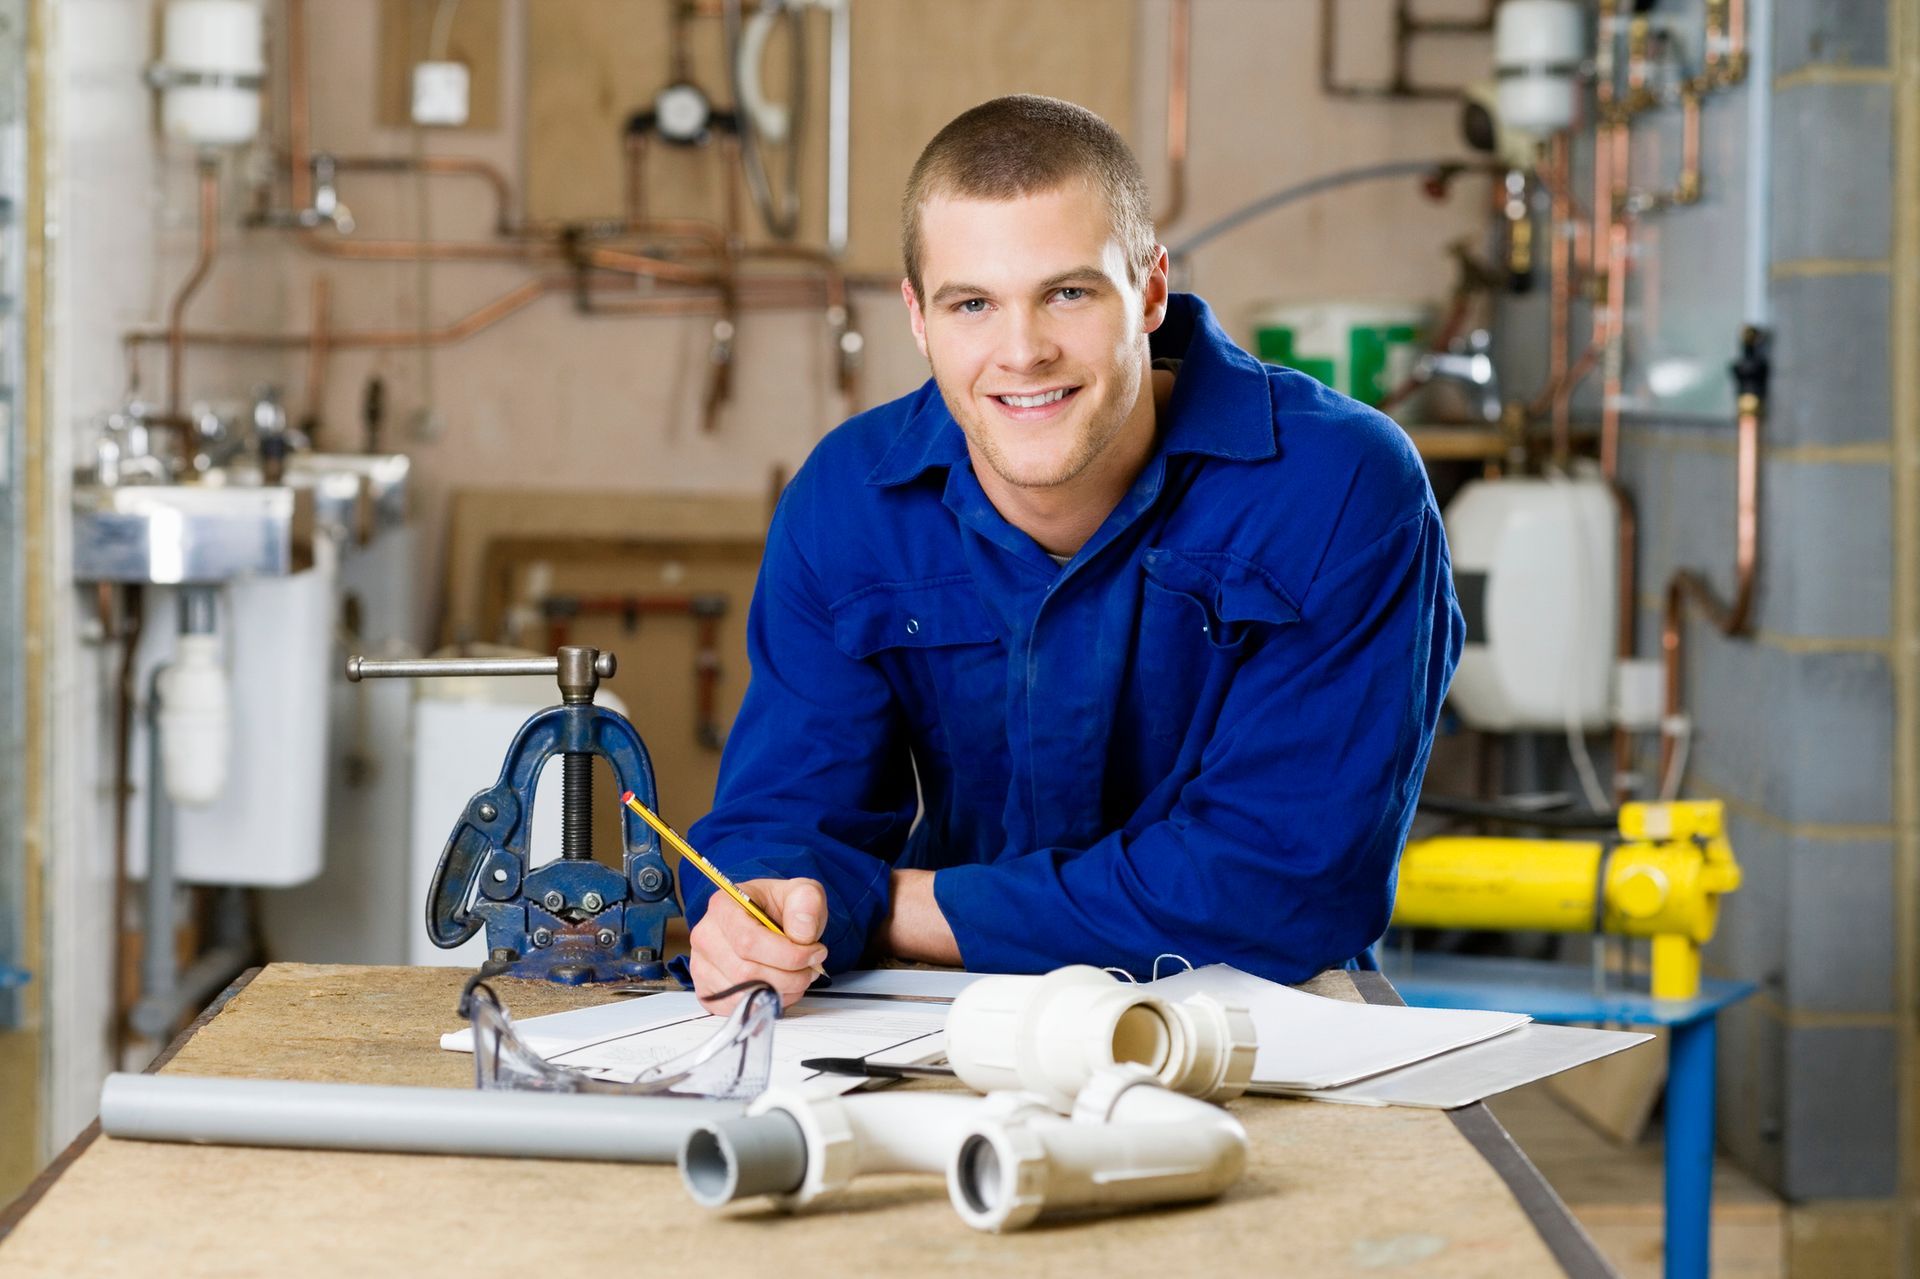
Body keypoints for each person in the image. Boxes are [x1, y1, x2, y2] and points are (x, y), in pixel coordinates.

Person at [678, 94, 1463, 1010]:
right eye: (972, 303)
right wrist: (766, 905)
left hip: (1270, 1011)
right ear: (918, 318)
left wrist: (889, 903)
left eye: (1068, 293)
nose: (1023, 352)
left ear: (1150, 289)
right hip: (949, 1012)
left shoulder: (1337, 489)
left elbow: (1277, 889)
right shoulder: (849, 502)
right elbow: (783, 818)